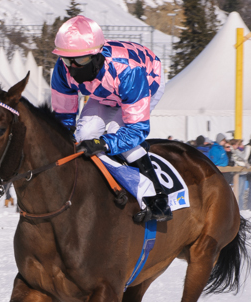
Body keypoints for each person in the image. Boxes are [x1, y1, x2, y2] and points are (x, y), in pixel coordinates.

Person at [51, 15, 171, 221]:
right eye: (67, 59)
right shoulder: (62, 69)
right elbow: (63, 117)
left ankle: (158, 197)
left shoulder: (128, 71)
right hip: (104, 91)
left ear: (97, 56)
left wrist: (104, 144)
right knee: (84, 135)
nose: (72, 67)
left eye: (80, 60)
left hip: (146, 79)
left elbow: (137, 129)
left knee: (118, 132)